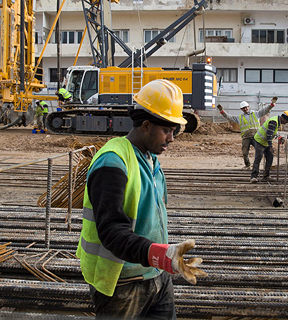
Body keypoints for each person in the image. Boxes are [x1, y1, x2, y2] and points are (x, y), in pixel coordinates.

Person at [77, 79, 207, 319]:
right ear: (146, 125)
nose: (172, 138)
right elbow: (112, 232)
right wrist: (159, 254)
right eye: (167, 131)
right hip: (123, 285)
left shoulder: (149, 159)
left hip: (157, 276)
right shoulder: (112, 162)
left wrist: (163, 261)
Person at [217, 97, 277, 169]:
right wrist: (222, 111)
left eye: (246, 107)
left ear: (248, 107)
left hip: (256, 137)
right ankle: (247, 165)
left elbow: (265, 110)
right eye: (243, 108)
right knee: (245, 153)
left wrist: (272, 104)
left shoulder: (256, 114)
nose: (245, 109)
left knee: (260, 151)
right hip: (246, 137)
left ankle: (262, 166)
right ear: (241, 109)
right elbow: (229, 117)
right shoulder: (239, 118)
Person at [250, 110, 288, 183]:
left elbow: (272, 132)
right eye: (287, 121)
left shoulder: (276, 121)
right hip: (259, 141)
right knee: (258, 158)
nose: (286, 123)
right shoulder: (274, 121)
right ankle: (253, 177)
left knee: (270, 157)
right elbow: (269, 135)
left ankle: (266, 176)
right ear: (284, 118)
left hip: (266, 142)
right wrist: (271, 146)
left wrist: (279, 137)